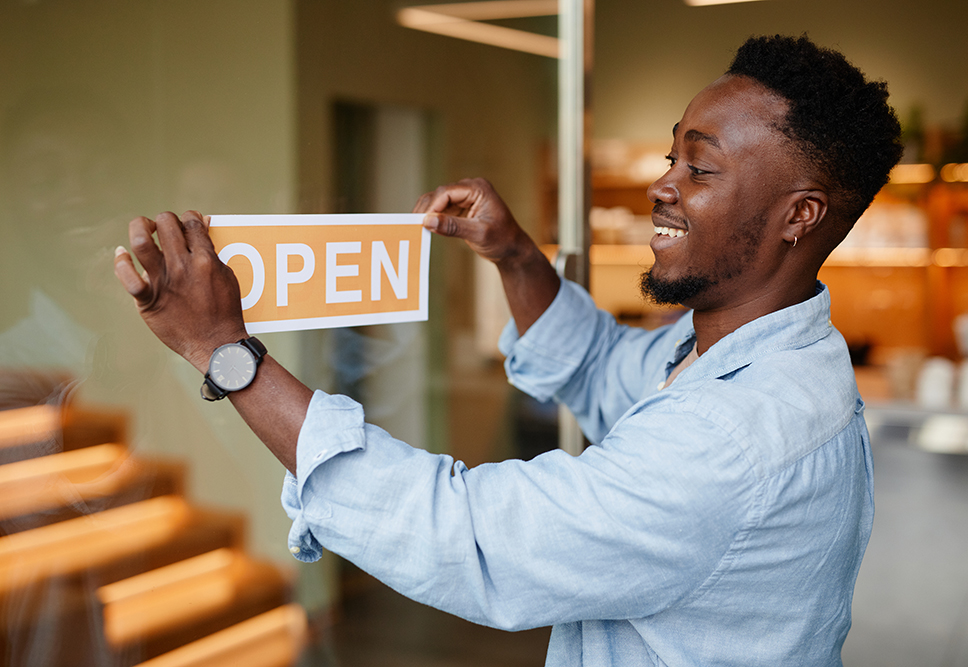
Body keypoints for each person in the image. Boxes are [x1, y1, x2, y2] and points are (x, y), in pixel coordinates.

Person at [114, 34, 902, 666]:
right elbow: (598, 365)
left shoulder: (736, 436)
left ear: (799, 215)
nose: (663, 185)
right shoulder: (743, 354)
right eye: (671, 157)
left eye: (700, 167)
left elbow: (474, 538)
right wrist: (516, 255)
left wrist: (228, 353)